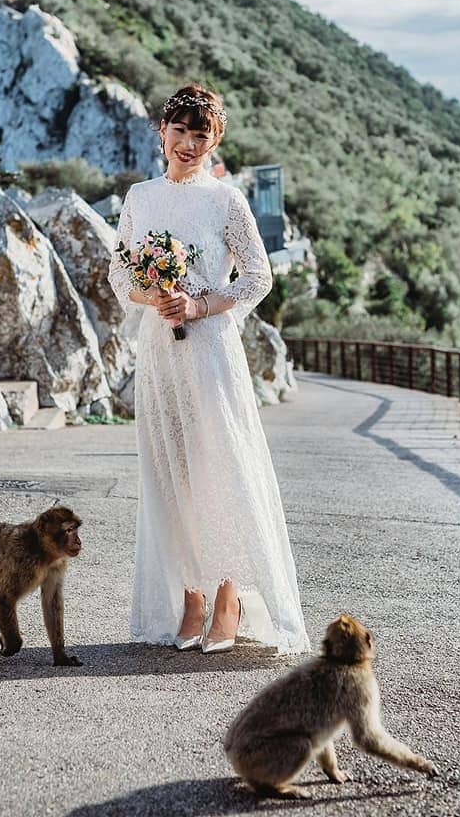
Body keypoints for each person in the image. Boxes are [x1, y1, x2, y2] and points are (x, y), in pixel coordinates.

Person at [108, 83, 309, 655]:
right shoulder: (140, 198)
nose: (189, 143)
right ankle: (190, 596)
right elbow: (122, 278)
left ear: (214, 140)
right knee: (171, 473)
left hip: (210, 350)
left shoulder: (225, 201)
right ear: (161, 132)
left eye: (202, 134)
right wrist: (157, 297)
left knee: (217, 467)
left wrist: (197, 304)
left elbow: (257, 278)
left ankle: (228, 596)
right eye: (181, 131)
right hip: (160, 352)